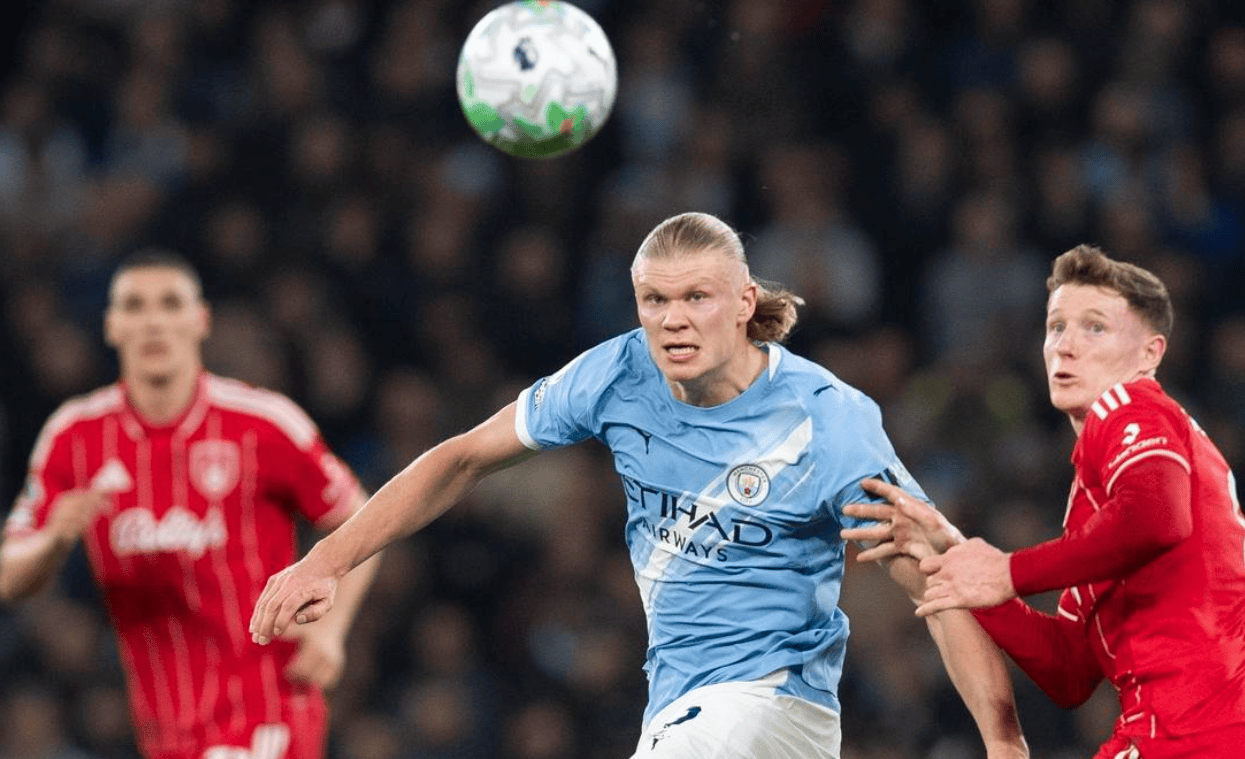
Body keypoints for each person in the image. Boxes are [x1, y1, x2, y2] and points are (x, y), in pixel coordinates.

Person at [248, 211, 1029, 758]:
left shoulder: (825, 421)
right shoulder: (617, 373)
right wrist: (325, 561)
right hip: (679, 704)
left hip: (773, 706)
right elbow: (460, 459)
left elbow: (937, 583)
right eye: (655, 300)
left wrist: (1003, 743)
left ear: (744, 303)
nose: (672, 319)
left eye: (696, 297)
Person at [843, 244, 1245, 758]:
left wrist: (1008, 571)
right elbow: (1069, 672)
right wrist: (958, 558)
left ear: (1149, 354)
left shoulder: (1133, 405)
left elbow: (1157, 518)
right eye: (1056, 327)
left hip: (1202, 727)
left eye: (1094, 327)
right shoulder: (1094, 510)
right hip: (1176, 727)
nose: (1065, 346)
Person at [0, 249, 381, 759]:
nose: (153, 321)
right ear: (112, 326)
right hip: (163, 726)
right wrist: (52, 540)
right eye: (135, 306)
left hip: (270, 701)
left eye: (170, 304)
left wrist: (330, 632)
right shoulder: (74, 438)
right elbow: (9, 576)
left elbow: (361, 519)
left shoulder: (263, 423)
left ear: (200, 320)